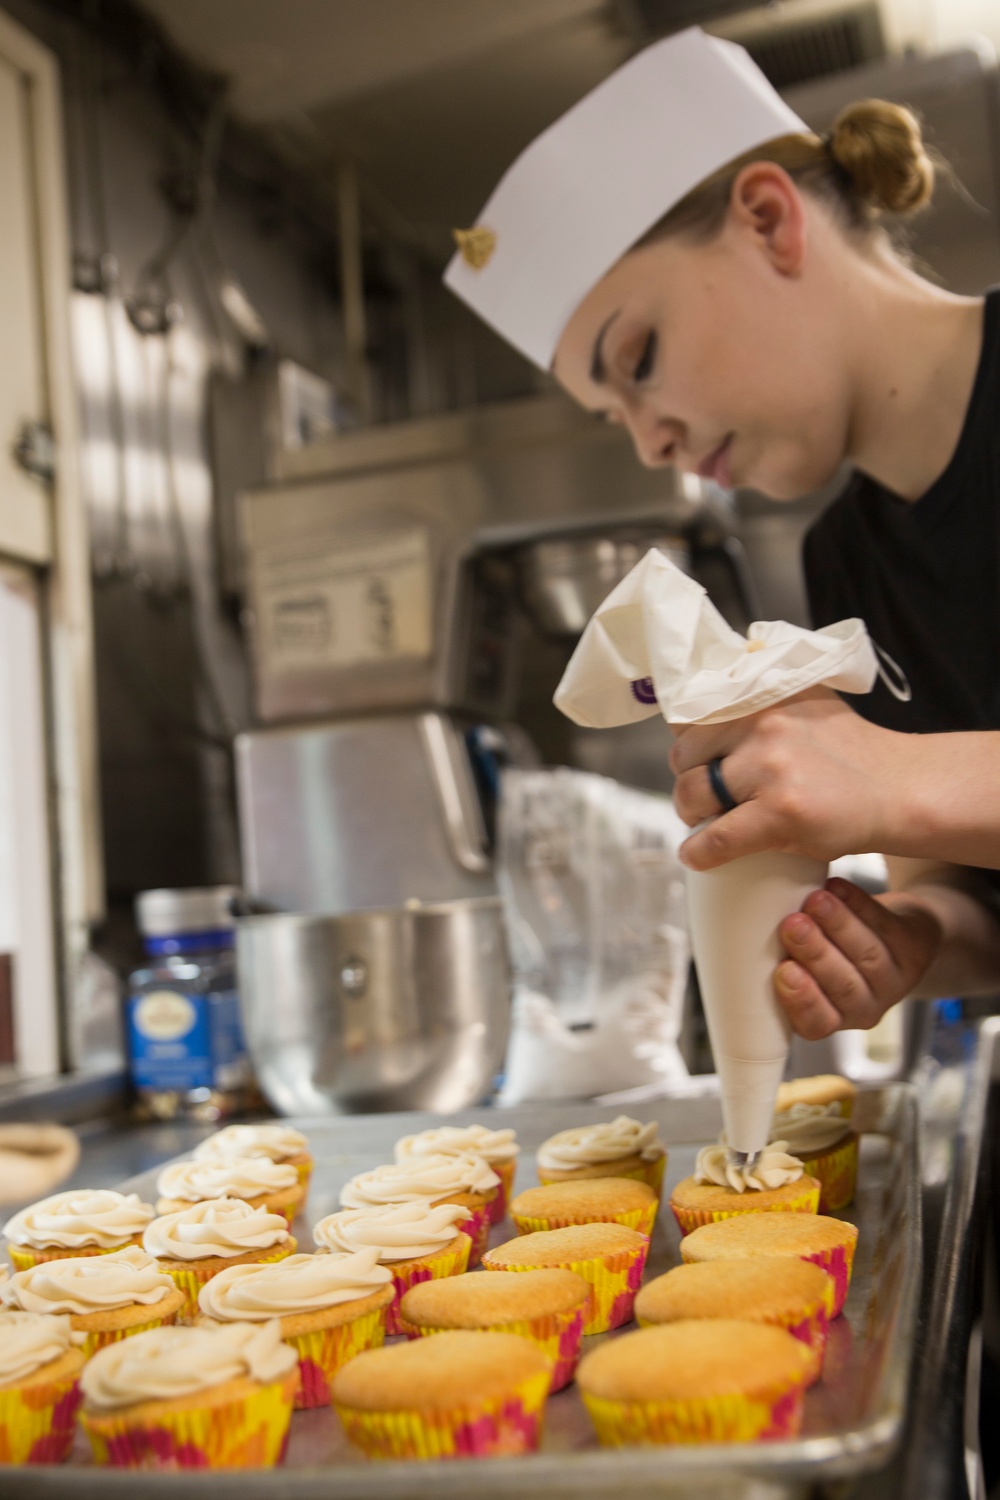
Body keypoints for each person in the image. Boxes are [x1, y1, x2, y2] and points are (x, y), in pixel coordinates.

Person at [443, 28, 1000, 1042]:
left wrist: (892, 777)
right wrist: (903, 940)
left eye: (638, 356)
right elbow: (974, 897)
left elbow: (919, 794)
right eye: (612, 418)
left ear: (767, 220)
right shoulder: (847, 557)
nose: (652, 441)